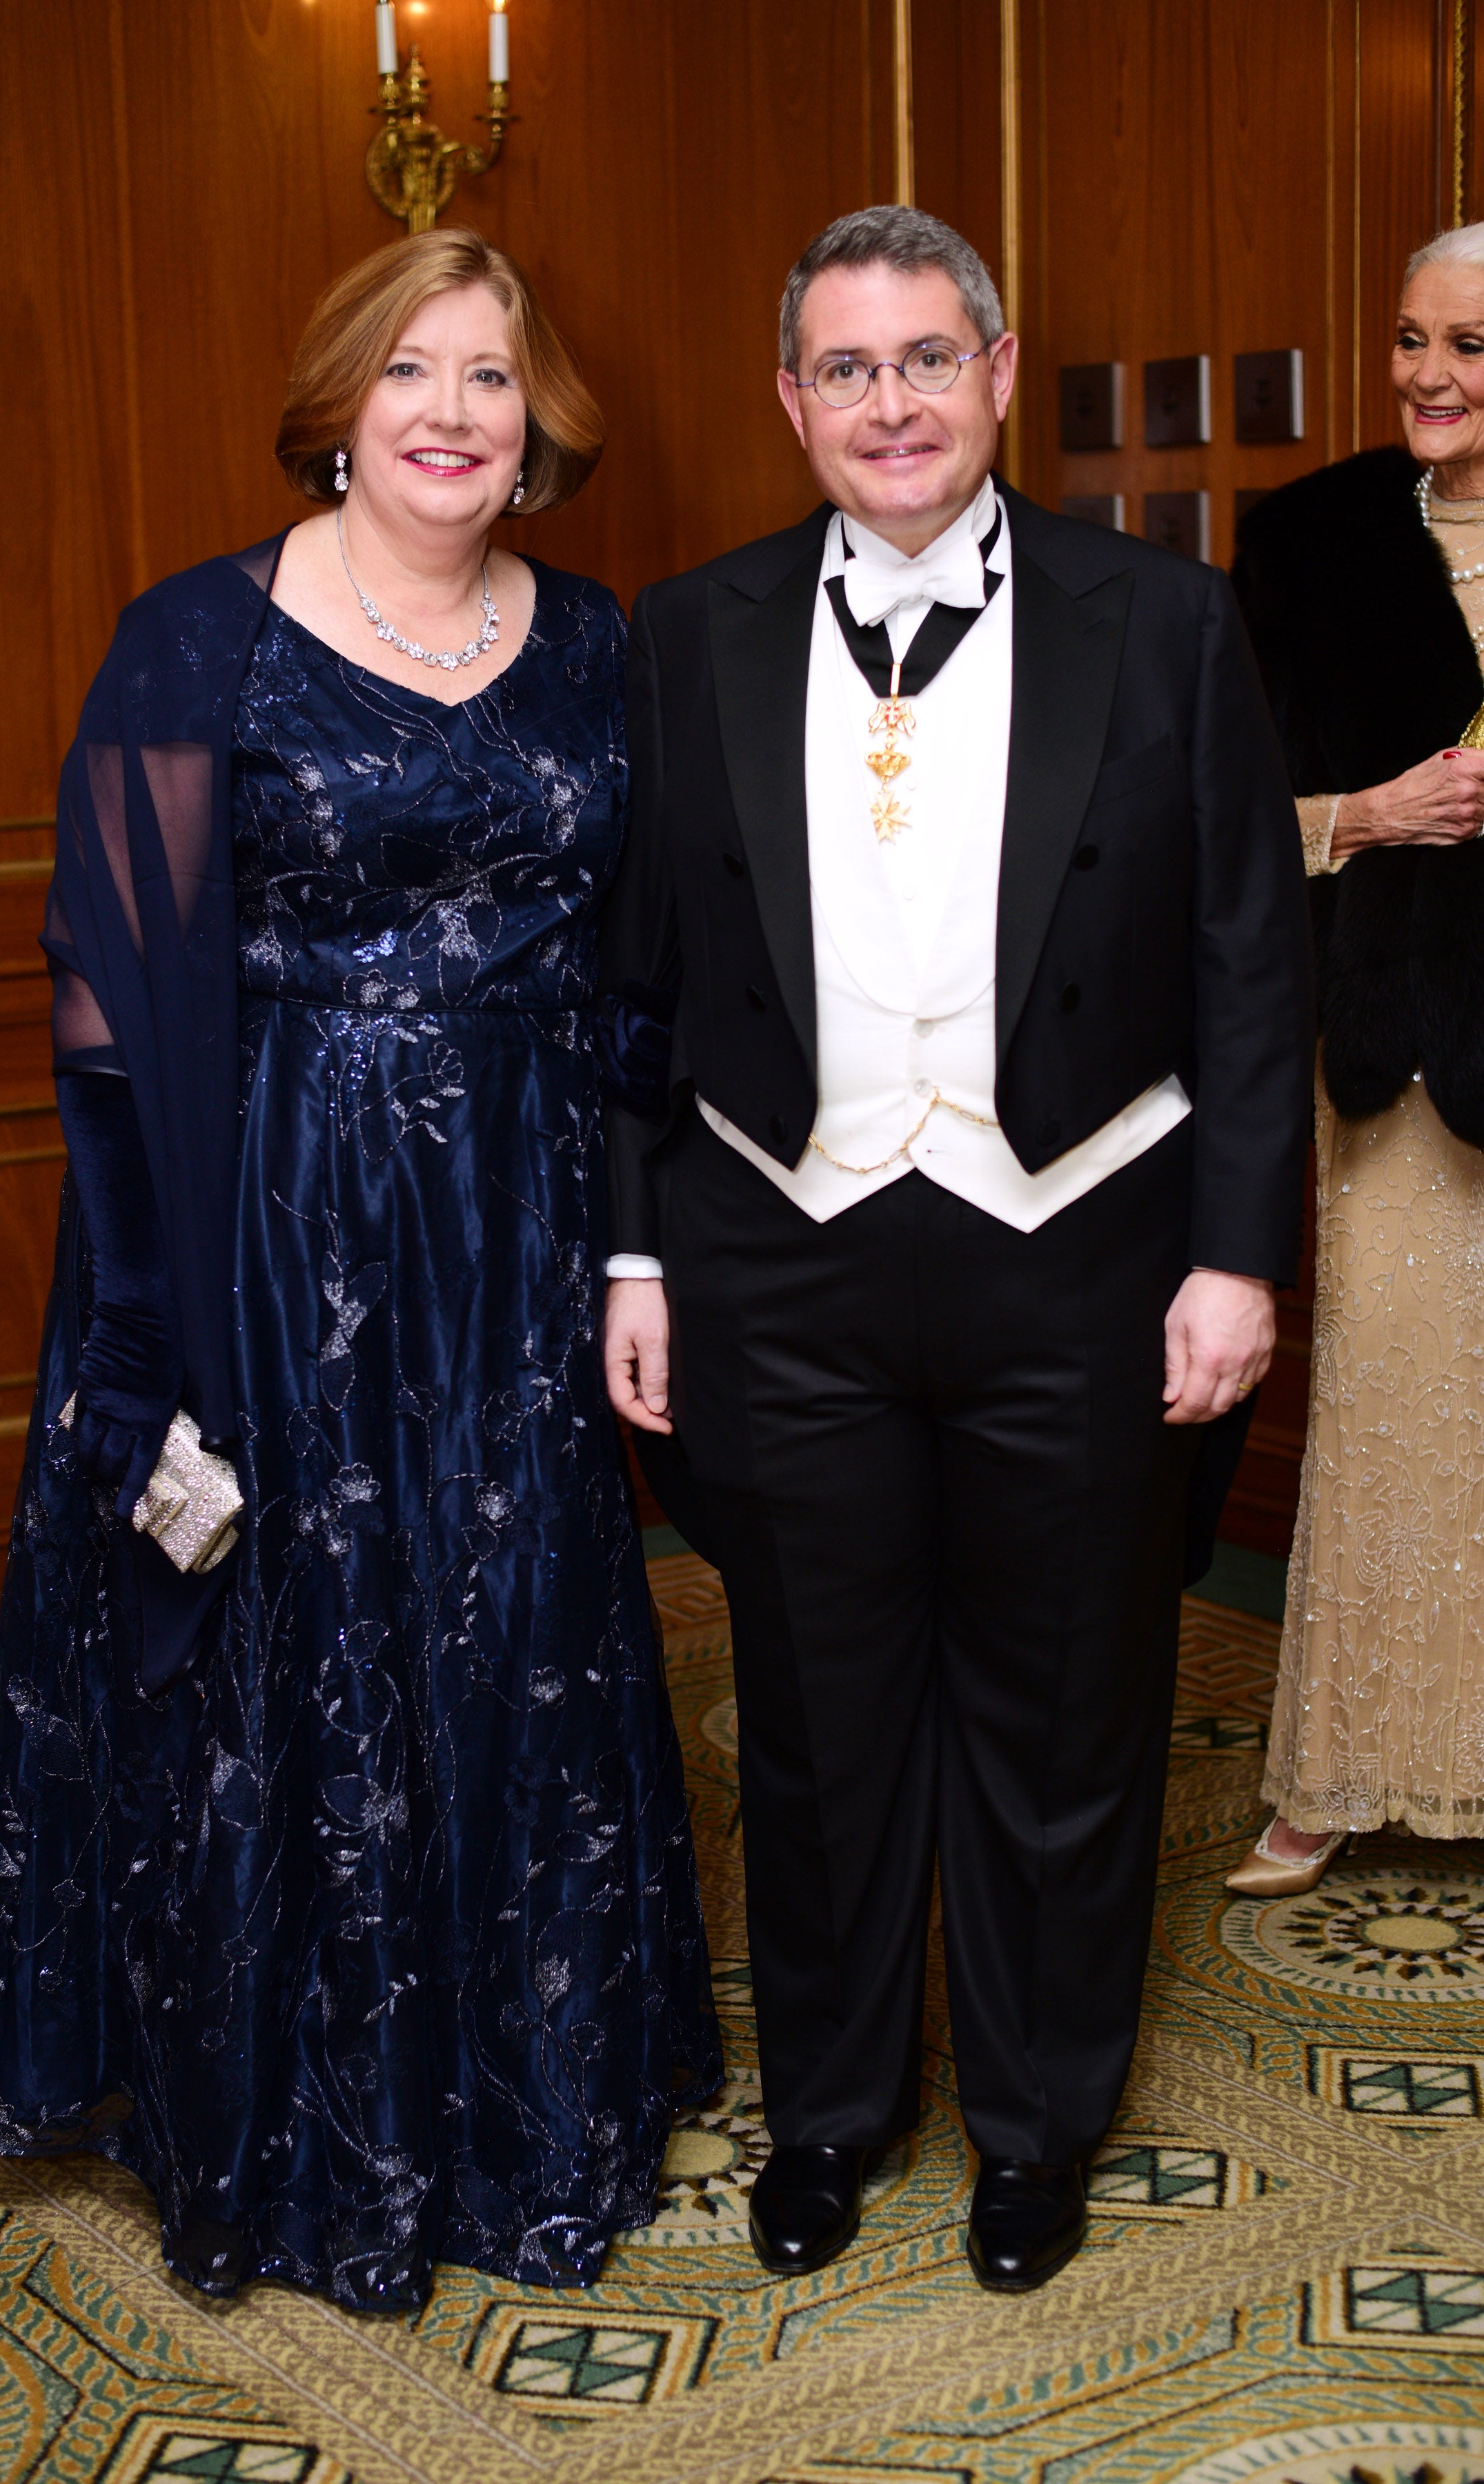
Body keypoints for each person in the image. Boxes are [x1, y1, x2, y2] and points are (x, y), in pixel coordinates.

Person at [0, 228, 720, 2311]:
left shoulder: (596, 646)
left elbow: (643, 957)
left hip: (523, 1229)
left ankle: (524, 2108)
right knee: (297, 1654)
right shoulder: (191, 641)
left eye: (489, 378)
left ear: (536, 418)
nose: (453, 416)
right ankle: (302, 2137)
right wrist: (146, 1322)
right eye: (413, 376)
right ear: (339, 406)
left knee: (515, 1642)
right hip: (271, 1228)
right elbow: (111, 994)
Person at [600, 205, 1312, 2295]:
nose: (889, 402)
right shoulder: (686, 627)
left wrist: (1233, 1255)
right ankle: (827, 2112)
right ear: (791, 403)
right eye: (846, 367)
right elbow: (628, 989)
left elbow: (1248, 970)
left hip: (1077, 1243)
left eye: (927, 358)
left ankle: (1032, 2120)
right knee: (812, 1721)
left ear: (999, 372)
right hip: (779, 1252)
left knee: (1064, 1712)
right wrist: (633, 1262)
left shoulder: (1165, 621)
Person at [1227, 222, 1484, 1897]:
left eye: (1466, 346)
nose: (1424, 375)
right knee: (1391, 1409)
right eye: (1405, 339)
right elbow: (1219, 817)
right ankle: (1335, 1766)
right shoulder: (1309, 540)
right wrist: (1370, 814)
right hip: (1397, 1042)